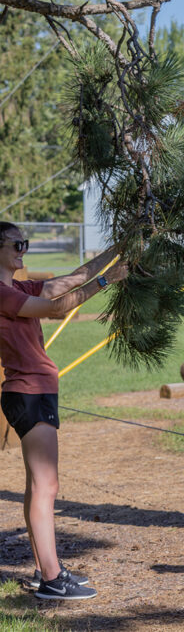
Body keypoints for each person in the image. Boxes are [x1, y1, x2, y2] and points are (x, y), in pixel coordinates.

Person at [0, 222, 130, 600]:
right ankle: (54, 580)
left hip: (34, 391)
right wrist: (106, 283)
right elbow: (57, 308)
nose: (23, 249)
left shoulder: (16, 287)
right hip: (28, 391)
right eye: (16, 244)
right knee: (47, 485)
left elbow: (74, 277)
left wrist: (119, 246)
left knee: (36, 486)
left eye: (25, 243)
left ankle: (44, 570)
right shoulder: (3, 295)